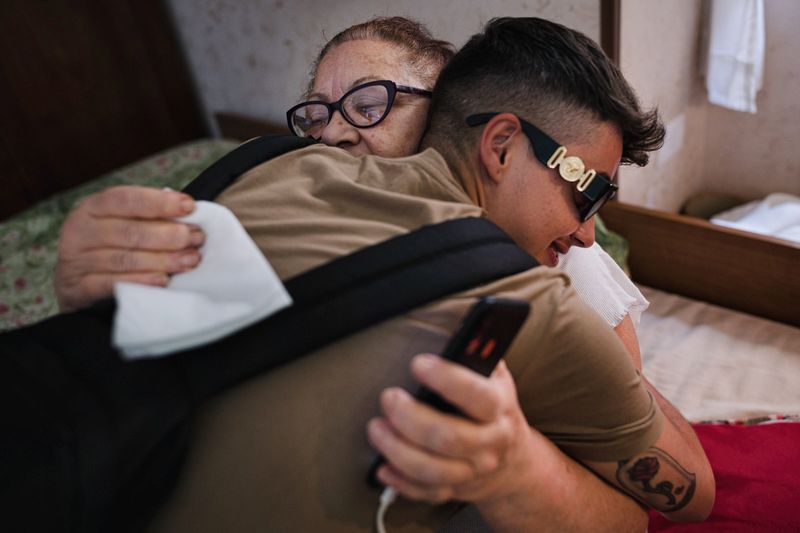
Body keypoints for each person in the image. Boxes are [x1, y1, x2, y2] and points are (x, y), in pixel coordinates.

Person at [54, 16, 712, 530]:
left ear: (442, 120)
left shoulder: (558, 265)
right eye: (314, 115)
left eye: (371, 104)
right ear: (500, 142)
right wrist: (92, 286)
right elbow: (684, 496)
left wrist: (522, 466)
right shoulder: (261, 176)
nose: (335, 137)